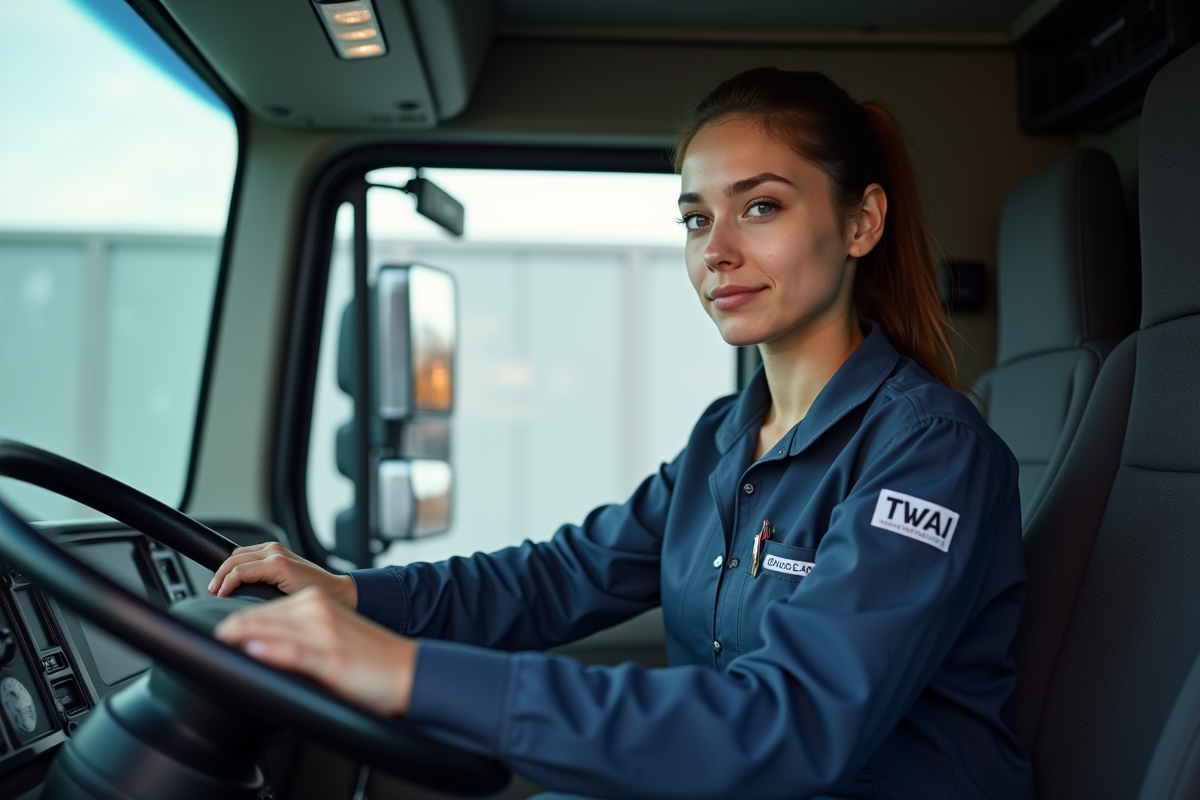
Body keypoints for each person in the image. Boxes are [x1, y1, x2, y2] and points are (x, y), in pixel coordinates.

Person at [211, 67, 1035, 799]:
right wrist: (354, 595)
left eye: (760, 206)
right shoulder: (725, 436)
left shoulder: (928, 450)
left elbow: (791, 726)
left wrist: (406, 672)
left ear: (861, 224)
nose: (717, 250)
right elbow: (561, 577)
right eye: (694, 218)